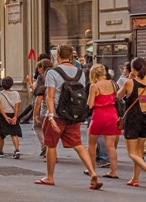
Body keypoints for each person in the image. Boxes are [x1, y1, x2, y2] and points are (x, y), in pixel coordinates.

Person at [37, 44, 100, 189]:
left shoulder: (52, 72)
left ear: (57, 55)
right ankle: (92, 172)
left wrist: (51, 116)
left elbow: (50, 97)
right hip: (74, 114)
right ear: (71, 55)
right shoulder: (80, 72)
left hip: (58, 115)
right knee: (78, 144)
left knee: (51, 145)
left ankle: (50, 177)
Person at [117, 56, 146, 188]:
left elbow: (118, 95)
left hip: (133, 119)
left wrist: (129, 79)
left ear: (133, 69)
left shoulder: (130, 83)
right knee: (139, 151)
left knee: (132, 153)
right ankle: (135, 179)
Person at [86, 63, 120, 180]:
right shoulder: (113, 84)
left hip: (99, 115)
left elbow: (90, 105)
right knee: (110, 146)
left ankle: (92, 169)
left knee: (91, 143)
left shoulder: (94, 86)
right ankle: (113, 171)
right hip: (112, 114)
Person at [0, 77, 22, 159]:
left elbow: (0, 107)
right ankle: (17, 150)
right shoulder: (16, 93)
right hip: (12, 115)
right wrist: (15, 117)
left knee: (1, 135)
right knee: (14, 134)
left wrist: (5, 117)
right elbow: (17, 107)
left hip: (2, 116)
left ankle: (0, 151)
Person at [31, 58, 52, 157]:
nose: (38, 70)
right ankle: (48, 149)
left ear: (42, 68)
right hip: (54, 109)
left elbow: (37, 93)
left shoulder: (41, 78)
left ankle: (44, 146)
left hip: (44, 107)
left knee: (37, 126)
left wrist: (35, 114)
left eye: (39, 68)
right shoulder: (56, 76)